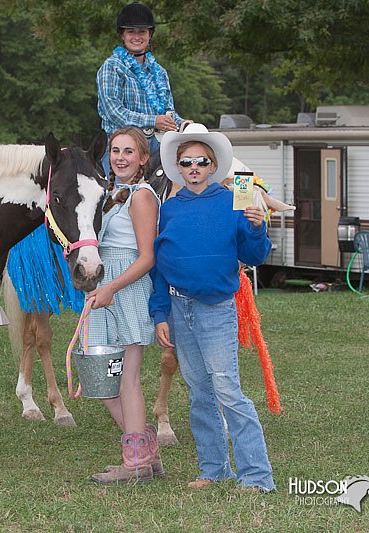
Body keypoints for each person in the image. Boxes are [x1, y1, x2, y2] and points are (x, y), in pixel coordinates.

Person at [149, 123, 276, 493]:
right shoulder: (168, 210)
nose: (194, 168)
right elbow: (159, 267)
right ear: (177, 167)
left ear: (213, 165)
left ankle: (257, 476)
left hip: (217, 309)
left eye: (201, 162)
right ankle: (214, 468)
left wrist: (255, 230)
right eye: (186, 162)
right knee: (199, 391)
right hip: (178, 308)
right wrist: (160, 313)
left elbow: (253, 255)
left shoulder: (235, 202)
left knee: (227, 390)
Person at [88, 127, 162, 484]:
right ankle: (145, 450)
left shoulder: (142, 196)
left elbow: (147, 256)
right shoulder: (114, 193)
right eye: (115, 150)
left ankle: (135, 463)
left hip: (126, 288)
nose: (120, 157)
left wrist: (112, 287)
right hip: (104, 288)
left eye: (129, 151)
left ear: (143, 158)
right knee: (100, 378)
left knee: (126, 379)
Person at [97, 1, 190, 175]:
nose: (137, 37)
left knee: (182, 173)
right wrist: (153, 120)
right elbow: (113, 111)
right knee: (119, 197)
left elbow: (168, 112)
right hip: (120, 147)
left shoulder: (159, 72)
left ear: (150, 35)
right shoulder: (112, 67)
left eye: (142, 32)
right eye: (131, 31)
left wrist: (182, 123)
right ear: (122, 35)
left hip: (152, 145)